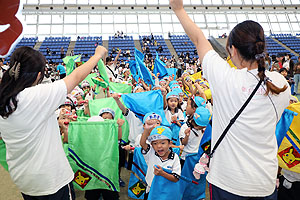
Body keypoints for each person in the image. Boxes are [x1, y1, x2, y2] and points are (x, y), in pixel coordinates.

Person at [170, 0, 290, 199]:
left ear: (233, 50)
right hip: (264, 182)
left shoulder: (225, 77)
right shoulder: (280, 83)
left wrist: (178, 9)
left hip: (228, 181)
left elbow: (199, 39)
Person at [0, 45, 107, 199]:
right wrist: (97, 55)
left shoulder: (5, 99)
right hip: (51, 180)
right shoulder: (35, 95)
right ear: (38, 75)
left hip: (24, 179)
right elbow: (76, 77)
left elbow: (24, 126)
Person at [140, 125, 181, 200]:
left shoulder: (174, 157)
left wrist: (162, 173)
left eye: (163, 143)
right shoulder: (151, 152)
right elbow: (142, 144)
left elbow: (176, 178)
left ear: (170, 144)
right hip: (150, 190)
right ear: (151, 145)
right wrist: (146, 129)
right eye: (155, 143)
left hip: (166, 193)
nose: (159, 146)